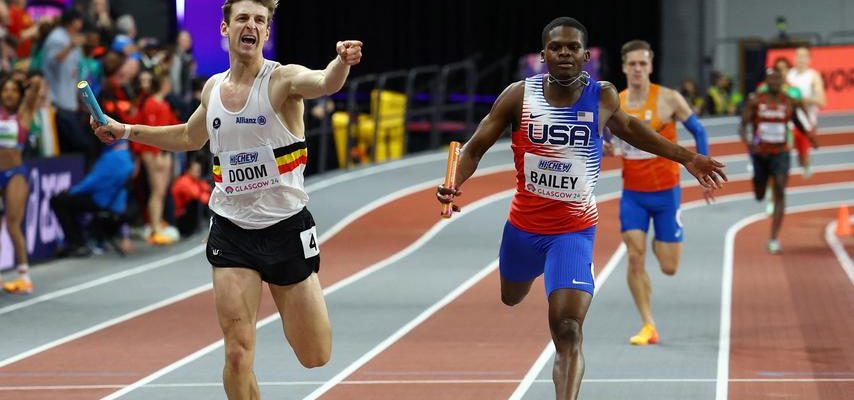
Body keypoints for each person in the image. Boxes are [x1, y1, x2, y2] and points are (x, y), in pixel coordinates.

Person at [436, 17, 726, 400]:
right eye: (556, 47)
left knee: (568, 328)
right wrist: (454, 183)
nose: (565, 53)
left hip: (573, 231)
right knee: (511, 296)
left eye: (573, 47)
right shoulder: (519, 96)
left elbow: (632, 129)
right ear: (543, 55)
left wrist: (687, 157)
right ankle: (532, 270)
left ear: (585, 55)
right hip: (523, 227)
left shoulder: (602, 96)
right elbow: (473, 149)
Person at [90, 1, 362, 398]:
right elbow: (188, 137)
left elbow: (324, 83)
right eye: (242, 19)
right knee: (237, 353)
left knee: (315, 354)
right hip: (232, 232)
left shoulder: (283, 81)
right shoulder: (213, 88)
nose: (250, 26)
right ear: (225, 28)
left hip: (286, 228)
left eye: (259, 21)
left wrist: (342, 62)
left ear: (267, 33)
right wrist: (125, 129)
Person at [608, 40, 713, 346]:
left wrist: (703, 171)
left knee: (669, 267)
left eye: (643, 63)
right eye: (632, 64)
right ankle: (647, 324)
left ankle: (659, 239)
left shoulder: (669, 99)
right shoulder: (616, 103)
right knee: (634, 258)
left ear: (650, 66)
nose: (638, 69)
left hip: (667, 195)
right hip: (633, 195)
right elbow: (607, 141)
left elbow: (700, 131)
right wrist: (608, 147)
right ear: (624, 67)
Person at [740, 69, 817, 254]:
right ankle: (760, 186)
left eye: (778, 79)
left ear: (782, 81)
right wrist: (750, 144)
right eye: (772, 79)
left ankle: (773, 238)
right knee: (759, 193)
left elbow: (798, 121)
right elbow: (743, 126)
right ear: (766, 81)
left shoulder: (788, 101)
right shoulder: (756, 100)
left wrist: (810, 137)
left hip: (781, 152)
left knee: (781, 190)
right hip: (760, 153)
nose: (775, 82)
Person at [51, 139, 134, 257]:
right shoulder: (127, 155)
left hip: (103, 201)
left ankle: (77, 243)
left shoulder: (111, 157)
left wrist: (72, 191)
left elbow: (92, 182)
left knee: (60, 201)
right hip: (116, 203)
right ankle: (85, 239)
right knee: (70, 201)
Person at [0, 76, 40, 294]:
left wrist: (30, 82)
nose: (8, 94)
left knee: (12, 224)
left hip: (14, 173)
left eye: (13, 90)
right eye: (5, 89)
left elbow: (34, 92)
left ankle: (24, 276)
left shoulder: (23, 114)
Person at [786, 47, 825, 179]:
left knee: (802, 158)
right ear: (794, 58)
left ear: (809, 60)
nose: (800, 59)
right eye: (798, 56)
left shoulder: (813, 76)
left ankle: (805, 164)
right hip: (790, 120)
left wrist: (801, 100)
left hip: (807, 121)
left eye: (804, 57)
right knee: (784, 148)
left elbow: (822, 101)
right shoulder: (788, 74)